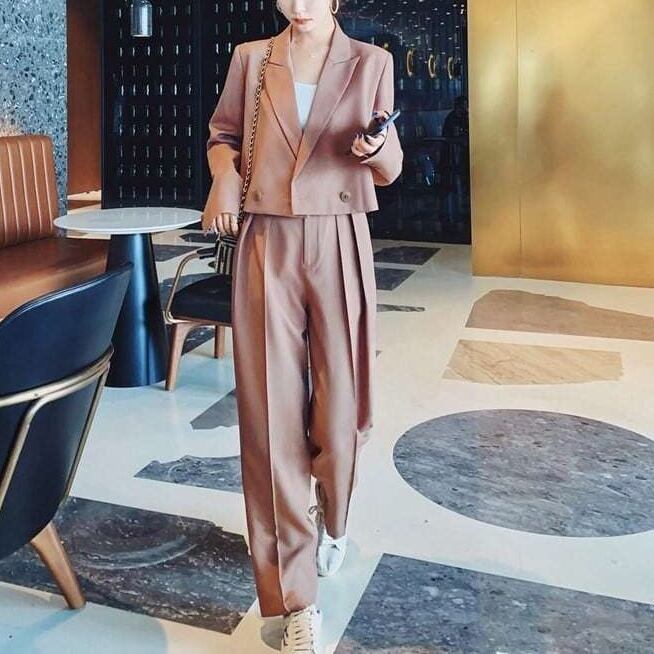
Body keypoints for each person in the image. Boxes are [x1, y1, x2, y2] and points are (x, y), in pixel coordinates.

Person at [201, 1, 403, 651]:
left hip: (340, 235)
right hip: (267, 239)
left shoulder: (371, 62)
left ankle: (333, 516)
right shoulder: (252, 59)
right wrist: (224, 179)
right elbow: (223, 136)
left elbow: (391, 166)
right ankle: (294, 601)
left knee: (342, 416)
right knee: (270, 417)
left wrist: (377, 146)